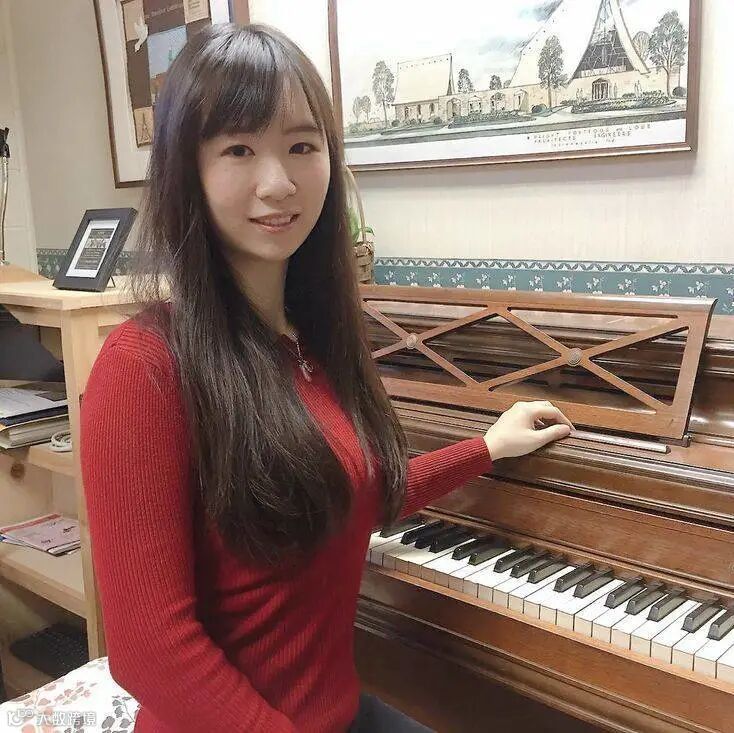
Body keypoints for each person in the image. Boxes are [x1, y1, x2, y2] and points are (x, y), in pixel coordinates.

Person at [80, 23, 573, 733]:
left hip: (335, 713)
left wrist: (486, 448)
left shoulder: (316, 337)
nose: (278, 182)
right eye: (239, 149)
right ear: (187, 168)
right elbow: (149, 651)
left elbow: (350, 493)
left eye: (302, 146)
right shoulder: (145, 366)